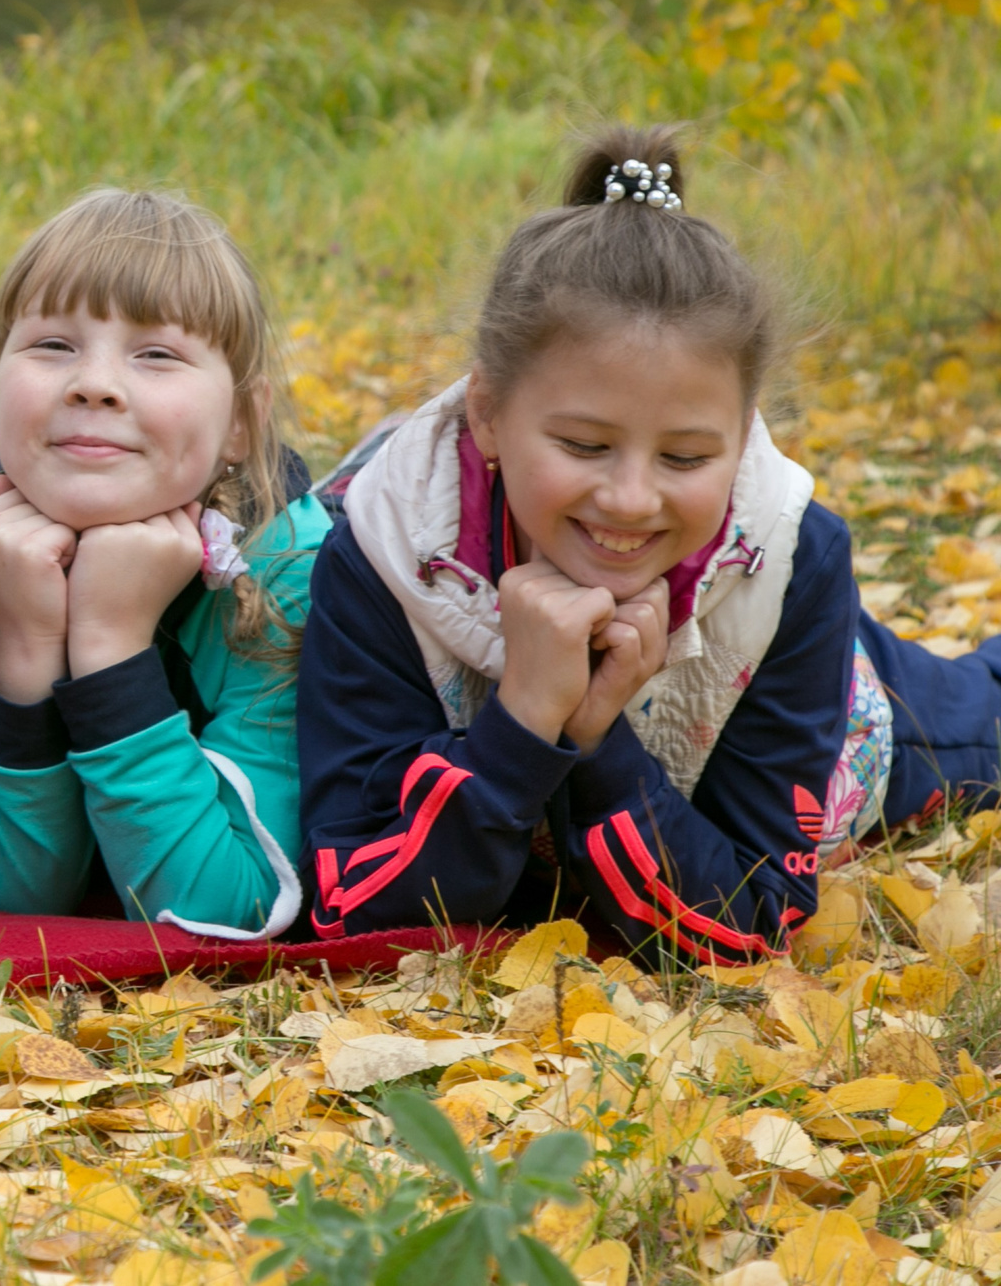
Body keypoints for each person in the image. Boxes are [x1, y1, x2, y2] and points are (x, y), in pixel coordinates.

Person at [299, 128, 1001, 963]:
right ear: (486, 411)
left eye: (685, 456)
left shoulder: (794, 563)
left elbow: (754, 912)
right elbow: (353, 905)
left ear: (741, 440)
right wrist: (523, 721)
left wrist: (596, 742)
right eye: (586, 446)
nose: (631, 498)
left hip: (830, 695)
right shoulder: (381, 557)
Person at [0, 189, 326, 936]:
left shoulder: (292, 564)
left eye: (157, 354)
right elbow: (1, 897)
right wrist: (28, 652)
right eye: (51, 345)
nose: (94, 382)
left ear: (240, 422)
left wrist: (113, 651)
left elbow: (226, 906)